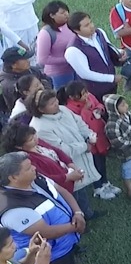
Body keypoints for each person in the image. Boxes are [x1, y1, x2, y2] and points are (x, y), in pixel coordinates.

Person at [27, 91, 100, 219]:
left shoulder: (63, 110)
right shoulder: (40, 127)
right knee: (73, 192)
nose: (56, 103)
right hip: (66, 164)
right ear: (40, 109)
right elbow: (62, 150)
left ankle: (87, 213)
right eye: (51, 103)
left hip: (80, 156)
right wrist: (85, 146)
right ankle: (78, 218)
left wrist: (89, 135)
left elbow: (79, 123)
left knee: (81, 189)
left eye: (55, 100)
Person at [61, 14, 121, 102]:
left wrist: (120, 52)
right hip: (94, 90)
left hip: (111, 84)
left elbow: (108, 47)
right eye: (86, 25)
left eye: (90, 22)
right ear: (76, 30)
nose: (91, 26)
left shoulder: (99, 33)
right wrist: (111, 78)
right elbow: (85, 73)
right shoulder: (73, 50)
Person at [32, 3, 73, 91]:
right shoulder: (46, 33)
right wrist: (66, 59)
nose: (66, 14)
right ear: (52, 15)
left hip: (75, 70)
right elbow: (42, 59)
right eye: (62, 13)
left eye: (66, 11)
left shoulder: (70, 26)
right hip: (58, 75)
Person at [1, 50, 50, 119]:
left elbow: (47, 80)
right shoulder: (8, 84)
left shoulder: (31, 70)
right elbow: (24, 103)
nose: (28, 61)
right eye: (24, 59)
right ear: (14, 65)